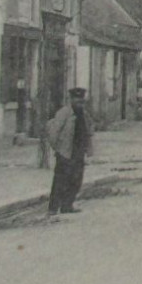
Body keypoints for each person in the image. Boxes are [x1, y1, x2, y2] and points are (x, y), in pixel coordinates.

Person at [46, 87, 93, 216]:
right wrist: (58, 149)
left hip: (78, 152)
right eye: (77, 100)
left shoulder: (84, 114)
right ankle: (53, 208)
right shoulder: (64, 113)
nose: (79, 103)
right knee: (60, 180)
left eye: (81, 100)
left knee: (76, 180)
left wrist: (89, 151)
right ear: (71, 99)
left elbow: (89, 132)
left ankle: (67, 205)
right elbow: (53, 132)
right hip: (65, 152)